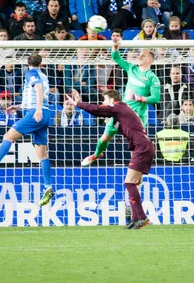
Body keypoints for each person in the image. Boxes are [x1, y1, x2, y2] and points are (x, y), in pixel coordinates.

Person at [67, 88, 155, 229]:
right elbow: (105, 135)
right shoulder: (119, 116)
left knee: (130, 183)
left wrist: (78, 103)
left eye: (105, 100)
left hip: (142, 147)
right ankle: (136, 218)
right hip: (143, 146)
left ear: (112, 100)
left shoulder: (118, 107)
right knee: (132, 183)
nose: (103, 103)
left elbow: (97, 110)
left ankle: (141, 217)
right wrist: (96, 155)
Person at [0, 54, 53, 206]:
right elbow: (35, 96)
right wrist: (17, 106)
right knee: (42, 155)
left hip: (36, 113)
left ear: (27, 63)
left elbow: (39, 90)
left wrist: (38, 110)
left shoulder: (31, 73)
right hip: (45, 114)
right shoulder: (44, 75)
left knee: (9, 136)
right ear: (41, 63)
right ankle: (48, 186)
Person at [81, 37, 160, 167]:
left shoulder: (153, 78)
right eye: (140, 54)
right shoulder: (132, 69)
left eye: (143, 55)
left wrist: (139, 98)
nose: (139, 56)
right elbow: (116, 58)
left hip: (137, 116)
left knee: (135, 146)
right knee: (104, 138)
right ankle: (96, 155)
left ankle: (136, 171)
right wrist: (115, 46)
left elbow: (156, 98)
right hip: (121, 112)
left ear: (149, 60)